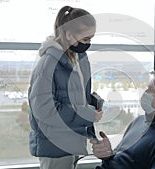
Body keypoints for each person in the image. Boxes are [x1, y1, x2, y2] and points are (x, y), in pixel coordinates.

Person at [28, 6, 102, 169]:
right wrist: (87, 114)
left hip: (72, 142)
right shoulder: (48, 63)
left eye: (91, 38)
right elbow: (44, 110)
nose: (88, 44)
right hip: (55, 146)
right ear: (69, 34)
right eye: (85, 39)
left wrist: (92, 112)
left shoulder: (79, 58)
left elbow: (78, 97)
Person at [90, 70, 155, 169]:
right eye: (147, 89)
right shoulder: (139, 121)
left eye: (151, 90)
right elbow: (122, 161)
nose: (145, 93)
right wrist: (108, 155)